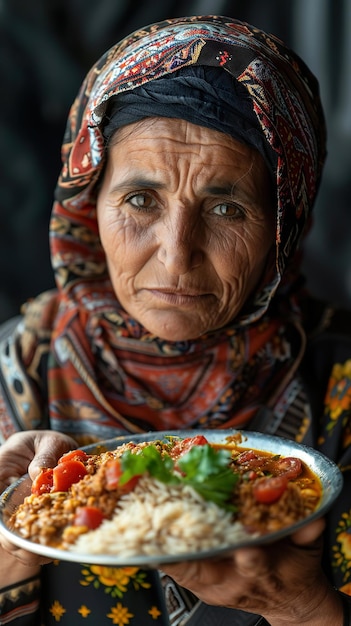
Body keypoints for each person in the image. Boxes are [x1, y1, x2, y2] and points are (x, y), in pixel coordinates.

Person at [0, 13, 350, 626]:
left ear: (283, 225)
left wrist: (303, 608)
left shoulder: (341, 384)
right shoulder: (14, 376)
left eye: (226, 205)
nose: (175, 253)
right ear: (87, 205)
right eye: (140, 199)